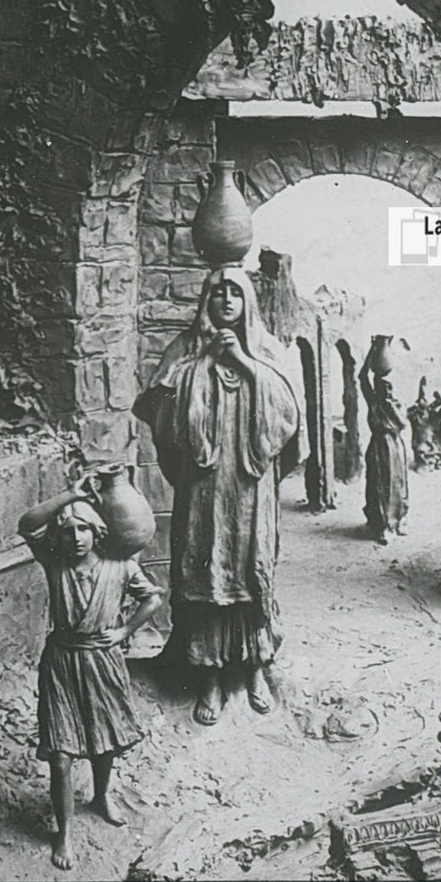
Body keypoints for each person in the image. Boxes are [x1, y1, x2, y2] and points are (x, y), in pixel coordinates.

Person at [133, 267, 303, 727]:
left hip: (250, 487)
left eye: (236, 292)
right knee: (205, 567)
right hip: (204, 488)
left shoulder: (266, 351)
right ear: (205, 300)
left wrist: (246, 366)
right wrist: (203, 364)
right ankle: (206, 676)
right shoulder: (186, 350)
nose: (227, 300)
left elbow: (289, 414)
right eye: (217, 292)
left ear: (249, 300)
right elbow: (154, 406)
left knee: (251, 566)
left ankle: (253, 670)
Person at [19, 494, 164, 871]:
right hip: (62, 662)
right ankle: (64, 830)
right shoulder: (55, 563)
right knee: (61, 756)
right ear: (60, 538)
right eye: (68, 531)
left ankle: (101, 797)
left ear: (97, 532)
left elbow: (152, 598)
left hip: (103, 660)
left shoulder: (121, 566)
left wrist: (124, 632)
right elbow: (28, 524)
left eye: (84, 528)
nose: (77, 538)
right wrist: (73, 494)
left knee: (105, 740)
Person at [361, 365, 410, 543]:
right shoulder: (373, 402)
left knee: (396, 483)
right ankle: (380, 524)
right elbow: (362, 378)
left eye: (388, 387)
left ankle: (396, 521)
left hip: (394, 445)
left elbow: (402, 424)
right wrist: (371, 354)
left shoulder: (395, 405)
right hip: (378, 444)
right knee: (378, 482)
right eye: (382, 387)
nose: (386, 390)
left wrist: (391, 406)